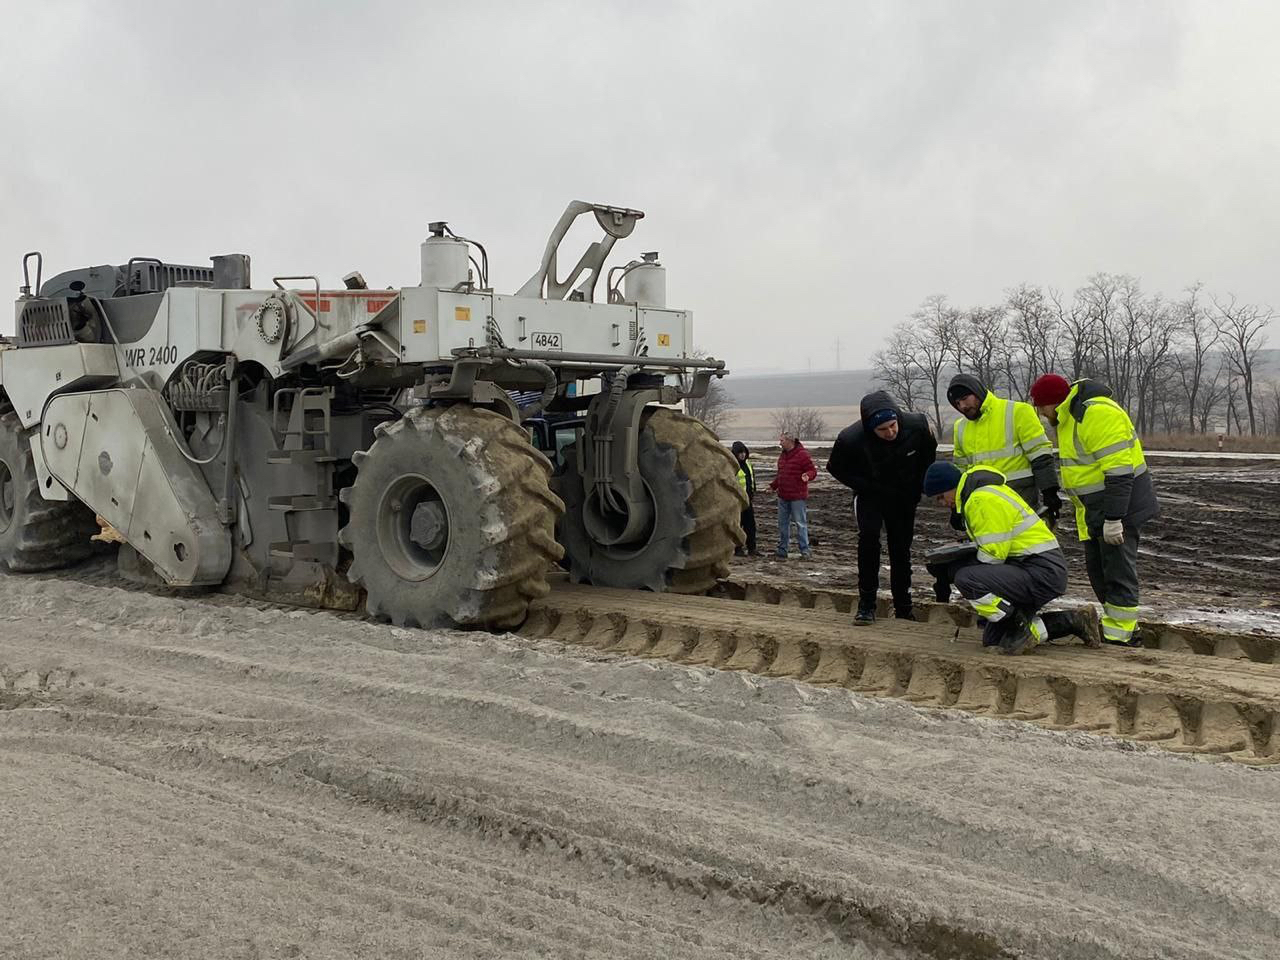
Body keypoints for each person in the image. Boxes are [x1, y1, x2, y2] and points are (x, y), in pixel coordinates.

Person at [1029, 374, 1159, 647]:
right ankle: (1120, 628)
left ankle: (1122, 636)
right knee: (1099, 570)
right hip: (1097, 508)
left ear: (1055, 401)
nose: (1041, 414)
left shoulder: (1095, 414)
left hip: (1121, 505)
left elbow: (1120, 473)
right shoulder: (1068, 417)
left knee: (1117, 571)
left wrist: (1114, 519)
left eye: (1042, 407)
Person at [921, 461, 1100, 654]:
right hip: (1033, 568)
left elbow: (993, 556)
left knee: (966, 578)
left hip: (1041, 572)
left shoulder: (980, 499)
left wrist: (955, 567)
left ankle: (1019, 625)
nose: (942, 503)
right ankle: (1075, 621)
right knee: (995, 641)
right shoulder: (981, 493)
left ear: (952, 485)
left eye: (941, 496)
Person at [827, 391, 936, 625]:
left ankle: (904, 608)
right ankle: (867, 605)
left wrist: (919, 486)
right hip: (871, 496)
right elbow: (835, 467)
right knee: (868, 542)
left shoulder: (917, 426)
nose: (890, 433)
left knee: (901, 551)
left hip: (904, 497)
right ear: (870, 428)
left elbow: (928, 456)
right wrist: (866, 486)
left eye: (893, 426)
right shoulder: (850, 439)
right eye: (882, 429)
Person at [946, 373, 1061, 525]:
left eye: (965, 399)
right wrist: (958, 507)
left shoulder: (1018, 412)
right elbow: (961, 472)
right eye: (957, 403)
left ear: (977, 392)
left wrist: (1049, 492)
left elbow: (1040, 455)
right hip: (985, 506)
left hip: (1021, 500)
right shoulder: (960, 427)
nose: (963, 406)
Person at [769, 432, 816, 560]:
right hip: (783, 495)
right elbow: (781, 475)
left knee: (800, 523)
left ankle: (805, 550)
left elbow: (813, 470)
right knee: (782, 524)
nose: (780, 443)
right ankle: (783, 549)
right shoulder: (783, 456)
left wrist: (808, 476)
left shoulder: (802, 455)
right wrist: (773, 486)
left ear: (790, 441)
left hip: (797, 497)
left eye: (782, 440)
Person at [731, 441, 757, 556]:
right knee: (738, 526)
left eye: (744, 452)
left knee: (750, 525)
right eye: (740, 453)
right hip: (736, 501)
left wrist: (752, 493)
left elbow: (752, 479)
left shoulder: (748, 464)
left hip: (747, 500)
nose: (742, 455)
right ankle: (738, 548)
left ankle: (752, 548)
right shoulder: (732, 466)